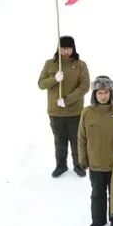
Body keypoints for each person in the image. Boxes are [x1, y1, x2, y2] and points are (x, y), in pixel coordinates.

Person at [77, 76, 113, 226]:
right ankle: (97, 221)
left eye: (106, 92)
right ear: (94, 94)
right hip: (96, 163)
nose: (103, 96)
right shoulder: (87, 112)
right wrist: (83, 158)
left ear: (111, 92)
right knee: (97, 194)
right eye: (99, 93)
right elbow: (81, 138)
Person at [36, 35, 90, 178]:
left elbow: (84, 86)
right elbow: (41, 84)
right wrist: (54, 79)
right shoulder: (50, 64)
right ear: (58, 48)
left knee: (76, 140)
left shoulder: (81, 65)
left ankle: (79, 165)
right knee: (59, 141)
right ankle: (61, 165)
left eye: (69, 48)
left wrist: (67, 100)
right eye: (63, 48)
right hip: (56, 112)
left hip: (75, 111)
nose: (66, 51)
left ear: (73, 48)